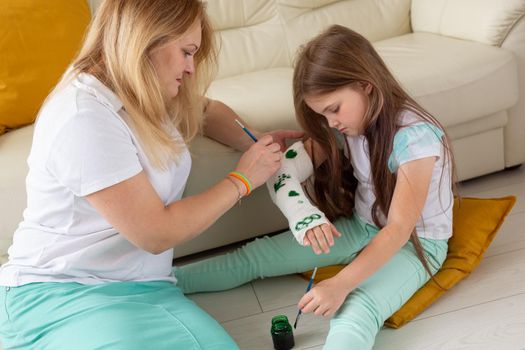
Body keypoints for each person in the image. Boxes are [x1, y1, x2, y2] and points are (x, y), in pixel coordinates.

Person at [0, 1, 303, 349]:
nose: (191, 68)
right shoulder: (84, 116)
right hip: (61, 291)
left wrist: (257, 142)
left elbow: (205, 110)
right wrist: (243, 180)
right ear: (148, 39)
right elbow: (156, 232)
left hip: (143, 286)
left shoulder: (140, 89)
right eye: (187, 52)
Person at [175, 25, 456, 350]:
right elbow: (281, 171)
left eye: (334, 109)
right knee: (255, 257)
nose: (331, 122)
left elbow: (398, 228)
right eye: (321, 114)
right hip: (362, 227)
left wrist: (339, 284)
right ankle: (152, 283)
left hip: (414, 244)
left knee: (357, 309)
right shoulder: (345, 126)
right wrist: (303, 216)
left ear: (366, 85)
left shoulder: (414, 138)